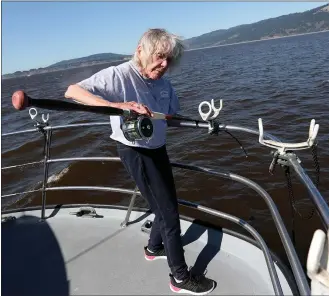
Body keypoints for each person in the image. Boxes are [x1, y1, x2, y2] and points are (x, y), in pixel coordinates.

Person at [64, 28, 216, 295]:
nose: (164, 65)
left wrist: (201, 125)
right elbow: (73, 91)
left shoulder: (164, 84)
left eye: (169, 59)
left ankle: (153, 248)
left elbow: (170, 116)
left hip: (158, 149)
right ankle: (179, 277)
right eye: (159, 57)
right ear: (140, 51)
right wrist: (120, 105)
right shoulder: (119, 75)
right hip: (135, 151)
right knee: (169, 214)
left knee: (165, 205)